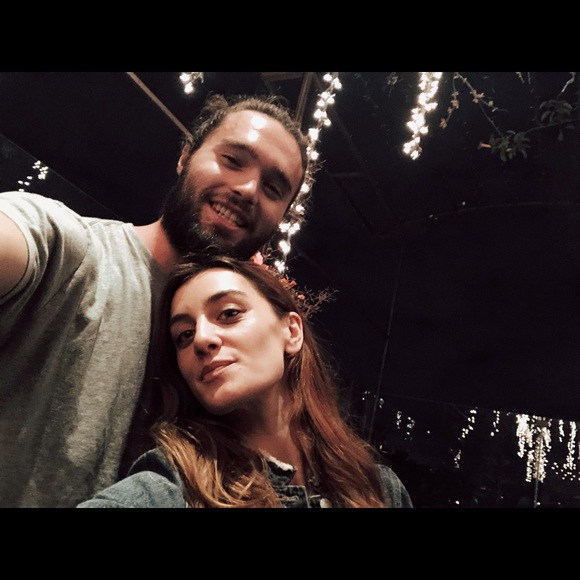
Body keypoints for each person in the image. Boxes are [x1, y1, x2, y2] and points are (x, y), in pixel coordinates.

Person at [0, 92, 311, 508]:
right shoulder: (73, 252)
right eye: (233, 160)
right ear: (185, 157)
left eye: (273, 187)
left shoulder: (240, 368)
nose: (248, 189)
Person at [77, 255, 413, 508]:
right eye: (184, 335)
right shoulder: (176, 483)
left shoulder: (380, 489)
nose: (201, 339)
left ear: (291, 331)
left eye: (229, 313)